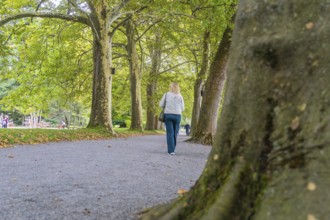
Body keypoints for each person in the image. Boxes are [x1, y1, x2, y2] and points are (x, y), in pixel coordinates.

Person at [159, 82, 185, 155]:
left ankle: (171, 150)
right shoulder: (180, 96)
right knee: (175, 133)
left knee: (170, 132)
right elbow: (183, 108)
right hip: (177, 116)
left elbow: (161, 105)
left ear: (171, 87)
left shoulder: (167, 94)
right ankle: (173, 148)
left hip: (168, 115)